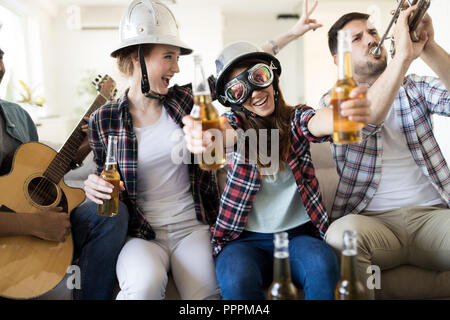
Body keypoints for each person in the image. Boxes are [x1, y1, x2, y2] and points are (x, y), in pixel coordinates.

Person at [83, 0, 325, 300]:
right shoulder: (103, 119)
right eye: (168, 57)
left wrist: (292, 33)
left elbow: (244, 70)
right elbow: (103, 178)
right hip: (142, 234)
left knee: (207, 296)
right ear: (138, 57)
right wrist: (92, 185)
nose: (176, 67)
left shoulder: (186, 101)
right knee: (141, 288)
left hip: (193, 228)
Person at [181, 38, 372, 298]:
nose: (255, 93)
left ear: (272, 77)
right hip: (244, 240)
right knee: (236, 281)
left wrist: (340, 118)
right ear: (231, 100)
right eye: (239, 91)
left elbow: (316, 121)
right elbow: (223, 134)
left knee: (323, 267)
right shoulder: (234, 123)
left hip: (299, 236)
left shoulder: (295, 118)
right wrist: (204, 138)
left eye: (259, 77)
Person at [320, 7, 450, 299]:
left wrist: (428, 47)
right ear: (339, 60)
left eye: (373, 32)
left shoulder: (414, 87)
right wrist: (403, 58)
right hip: (373, 222)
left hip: (433, 216)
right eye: (357, 38)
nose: (370, 39)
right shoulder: (333, 100)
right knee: (342, 238)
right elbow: (369, 119)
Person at [0, 47, 127, 300]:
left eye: (0, 57)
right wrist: (33, 224)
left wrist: (87, 144)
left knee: (110, 212)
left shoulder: (18, 116)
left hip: (45, 220)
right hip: (15, 232)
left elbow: (38, 174)